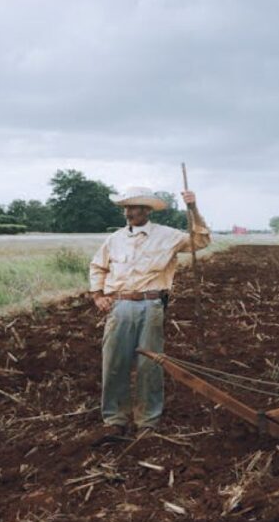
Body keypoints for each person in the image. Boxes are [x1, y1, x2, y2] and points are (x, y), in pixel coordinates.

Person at [87, 186, 210, 443]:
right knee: (114, 363)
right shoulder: (115, 239)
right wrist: (98, 295)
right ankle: (115, 420)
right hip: (119, 306)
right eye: (126, 208)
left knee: (150, 364)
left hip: (152, 306)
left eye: (132, 208)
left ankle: (147, 422)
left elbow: (201, 240)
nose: (128, 213)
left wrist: (193, 208)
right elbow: (98, 266)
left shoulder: (168, 236)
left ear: (146, 211)